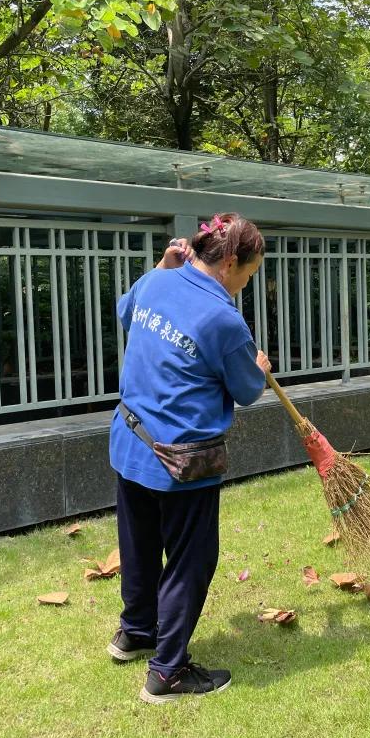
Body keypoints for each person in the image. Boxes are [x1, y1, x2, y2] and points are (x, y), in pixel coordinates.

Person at [107, 212, 271, 704]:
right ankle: (168, 672)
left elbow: (125, 312)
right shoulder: (224, 318)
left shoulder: (158, 280)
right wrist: (259, 366)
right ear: (230, 262)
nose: (245, 285)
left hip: (130, 442)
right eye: (249, 274)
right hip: (182, 460)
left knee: (139, 544)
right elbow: (247, 390)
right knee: (191, 558)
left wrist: (162, 265)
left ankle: (136, 631)